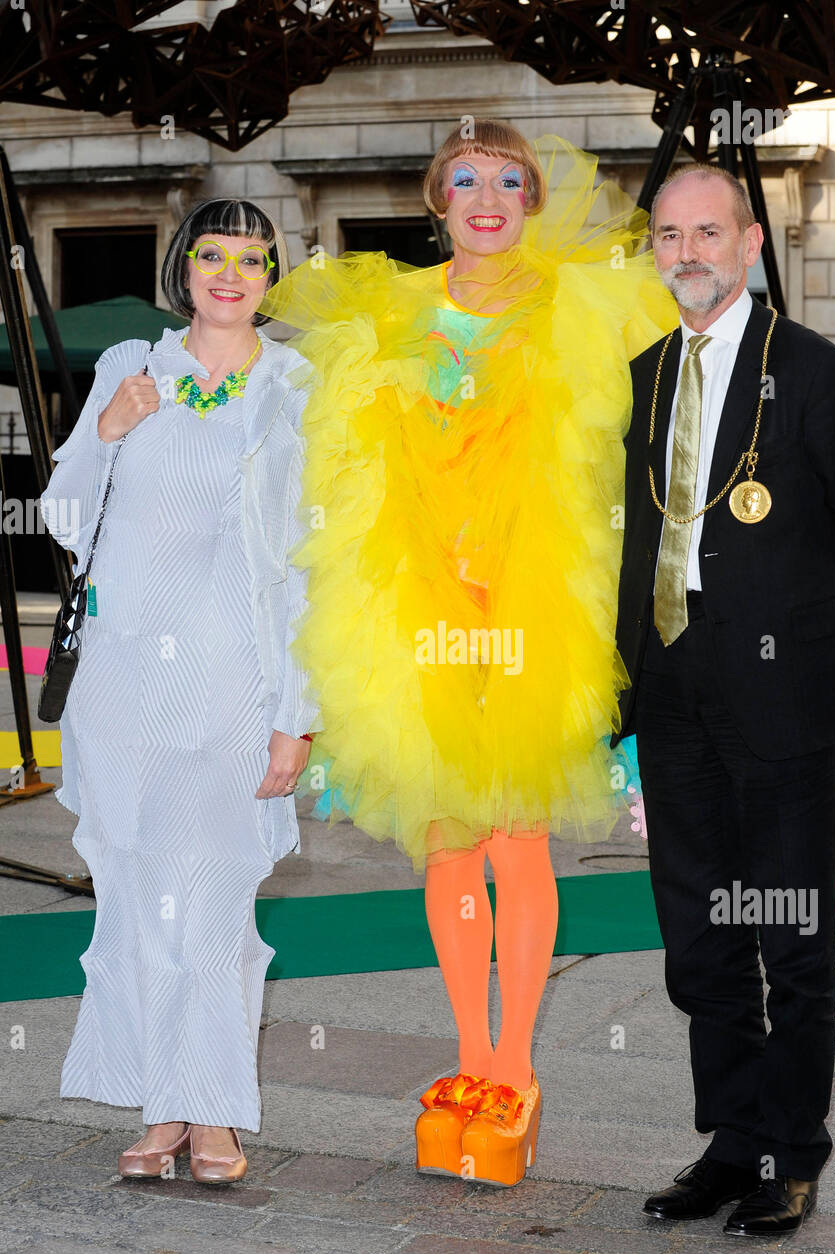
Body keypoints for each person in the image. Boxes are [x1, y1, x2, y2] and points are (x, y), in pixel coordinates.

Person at [260, 121, 676, 1186]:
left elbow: (638, 424)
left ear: (533, 198)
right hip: (419, 608)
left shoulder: (578, 301)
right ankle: (467, 1059)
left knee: (517, 836)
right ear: (435, 199)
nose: (486, 198)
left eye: (507, 180)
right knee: (448, 837)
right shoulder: (387, 310)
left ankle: (515, 1072)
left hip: (531, 605)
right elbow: (341, 462)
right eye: (463, 181)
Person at [613, 164, 835, 1234]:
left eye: (708, 233)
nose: (687, 252)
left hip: (780, 695)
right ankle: (731, 1142)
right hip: (673, 690)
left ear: (749, 247)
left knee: (789, 932)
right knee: (697, 934)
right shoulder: (643, 376)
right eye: (668, 235)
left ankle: (792, 1151)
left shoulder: (818, 373)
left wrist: (802, 635)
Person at [39, 199, 321, 1184]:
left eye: (253, 258)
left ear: (272, 276)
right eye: (213, 254)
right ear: (183, 269)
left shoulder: (296, 385)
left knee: (213, 905)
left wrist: (298, 715)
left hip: (235, 685)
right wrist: (107, 433)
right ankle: (166, 1109)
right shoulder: (130, 364)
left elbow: (310, 564)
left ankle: (215, 1116)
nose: (231, 274)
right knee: (138, 901)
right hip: (123, 686)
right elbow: (65, 518)